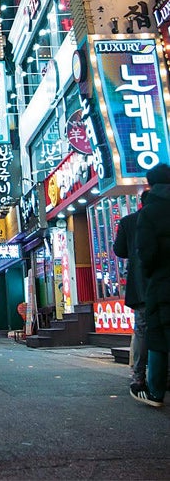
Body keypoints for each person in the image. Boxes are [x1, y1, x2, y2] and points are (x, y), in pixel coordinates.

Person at [134, 163, 170, 406]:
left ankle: (156, 392)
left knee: (157, 337)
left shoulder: (148, 212)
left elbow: (146, 254)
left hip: (162, 282)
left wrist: (151, 275)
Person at [113, 190, 149, 388]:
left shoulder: (128, 222)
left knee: (142, 330)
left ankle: (138, 376)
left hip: (140, 285)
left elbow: (119, 250)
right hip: (162, 284)